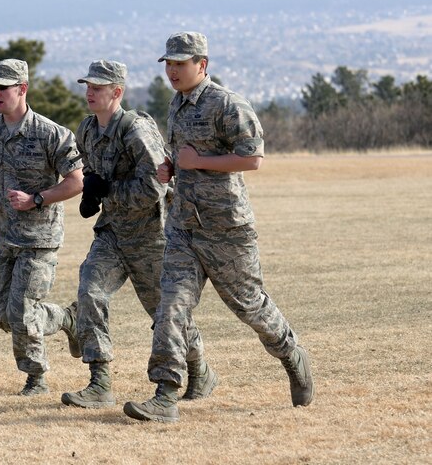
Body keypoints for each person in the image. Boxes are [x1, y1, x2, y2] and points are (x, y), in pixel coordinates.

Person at [124, 32, 314, 422]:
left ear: (202, 65)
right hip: (183, 228)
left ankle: (291, 353)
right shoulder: (175, 105)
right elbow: (186, 156)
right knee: (170, 307)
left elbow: (253, 158)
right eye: (169, 64)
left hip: (226, 229)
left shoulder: (227, 104)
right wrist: (173, 167)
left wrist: (198, 162)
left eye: (181, 63)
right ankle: (165, 394)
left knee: (250, 307)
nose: (173, 71)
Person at [61, 60, 215, 409]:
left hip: (151, 236)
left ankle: (199, 368)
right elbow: (90, 168)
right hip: (112, 234)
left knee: (164, 314)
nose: (90, 92)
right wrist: (91, 193)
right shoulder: (87, 129)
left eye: (98, 87)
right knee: (89, 290)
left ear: (117, 92)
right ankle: (99, 382)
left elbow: (153, 188)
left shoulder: (135, 131)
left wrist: (108, 190)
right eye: (87, 85)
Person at [0, 58, 84, 396]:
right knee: (3, 311)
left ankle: (35, 378)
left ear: (22, 89)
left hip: (39, 237)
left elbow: (77, 181)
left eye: (3, 87)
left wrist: (37, 199)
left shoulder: (51, 134)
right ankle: (66, 318)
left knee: (22, 311)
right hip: (5, 236)